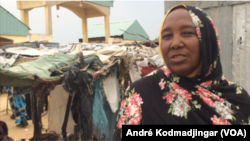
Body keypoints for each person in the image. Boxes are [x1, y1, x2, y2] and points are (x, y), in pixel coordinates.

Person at [112, 4, 250, 140]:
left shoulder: (238, 99)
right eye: (167, 36)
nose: (175, 43)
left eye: (187, 33)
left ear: (208, 40)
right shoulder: (140, 94)